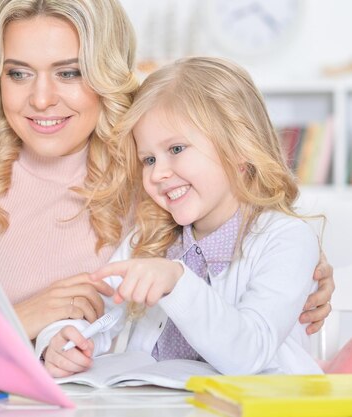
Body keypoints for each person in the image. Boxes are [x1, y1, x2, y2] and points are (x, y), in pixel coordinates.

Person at [0, 1, 334, 361]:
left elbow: (228, 257)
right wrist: (17, 318)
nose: (40, 99)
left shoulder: (147, 171)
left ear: (105, 73)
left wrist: (298, 274)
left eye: (69, 72)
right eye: (18, 73)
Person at [38, 57, 325, 378]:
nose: (158, 173)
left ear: (239, 147)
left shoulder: (285, 239)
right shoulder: (148, 240)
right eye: (148, 159)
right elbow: (95, 312)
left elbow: (249, 354)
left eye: (176, 149)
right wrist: (59, 341)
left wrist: (177, 281)